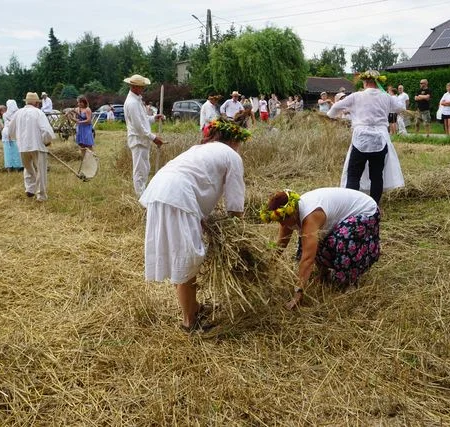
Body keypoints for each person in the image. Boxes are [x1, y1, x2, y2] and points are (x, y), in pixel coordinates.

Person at [139, 118, 250, 332]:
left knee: (181, 257)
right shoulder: (231, 156)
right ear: (233, 139)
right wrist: (238, 234)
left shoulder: (200, 149)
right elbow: (235, 204)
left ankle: (194, 307)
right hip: (179, 195)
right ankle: (190, 322)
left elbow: (198, 180)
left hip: (160, 190)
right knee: (187, 260)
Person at [260, 188, 381, 310]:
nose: (281, 224)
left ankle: (350, 280)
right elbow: (280, 245)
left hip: (366, 211)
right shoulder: (288, 216)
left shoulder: (311, 215)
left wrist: (298, 293)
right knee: (310, 242)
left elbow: (308, 259)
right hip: (343, 214)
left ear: (293, 212)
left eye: (282, 220)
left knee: (340, 240)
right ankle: (325, 274)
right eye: (278, 220)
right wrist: (266, 267)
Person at [327, 70, 405, 205]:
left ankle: (353, 205)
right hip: (379, 139)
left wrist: (330, 115)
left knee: (353, 174)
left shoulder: (356, 96)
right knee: (376, 175)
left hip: (361, 138)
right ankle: (374, 206)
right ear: (377, 82)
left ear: (364, 82)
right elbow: (400, 108)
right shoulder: (385, 96)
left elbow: (334, 110)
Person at [8, 92, 56, 201]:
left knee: (28, 168)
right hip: (37, 146)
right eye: (38, 102)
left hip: (23, 146)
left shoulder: (18, 113)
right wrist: (46, 142)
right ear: (35, 103)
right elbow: (46, 130)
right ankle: (41, 195)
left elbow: (11, 130)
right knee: (41, 171)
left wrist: (19, 139)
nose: (38, 104)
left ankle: (30, 189)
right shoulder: (38, 113)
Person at [123, 74, 164, 197]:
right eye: (141, 87)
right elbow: (138, 127)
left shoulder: (137, 100)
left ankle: (144, 194)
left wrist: (153, 118)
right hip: (138, 140)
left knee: (145, 168)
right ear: (134, 87)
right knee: (140, 171)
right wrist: (153, 138)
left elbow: (143, 119)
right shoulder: (132, 103)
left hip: (142, 140)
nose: (143, 89)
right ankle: (141, 198)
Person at [1, 99, 23, 171]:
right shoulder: (19, 113)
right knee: (16, 149)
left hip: (6, 132)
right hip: (14, 131)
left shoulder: (4, 114)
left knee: (7, 150)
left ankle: (9, 166)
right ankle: (17, 166)